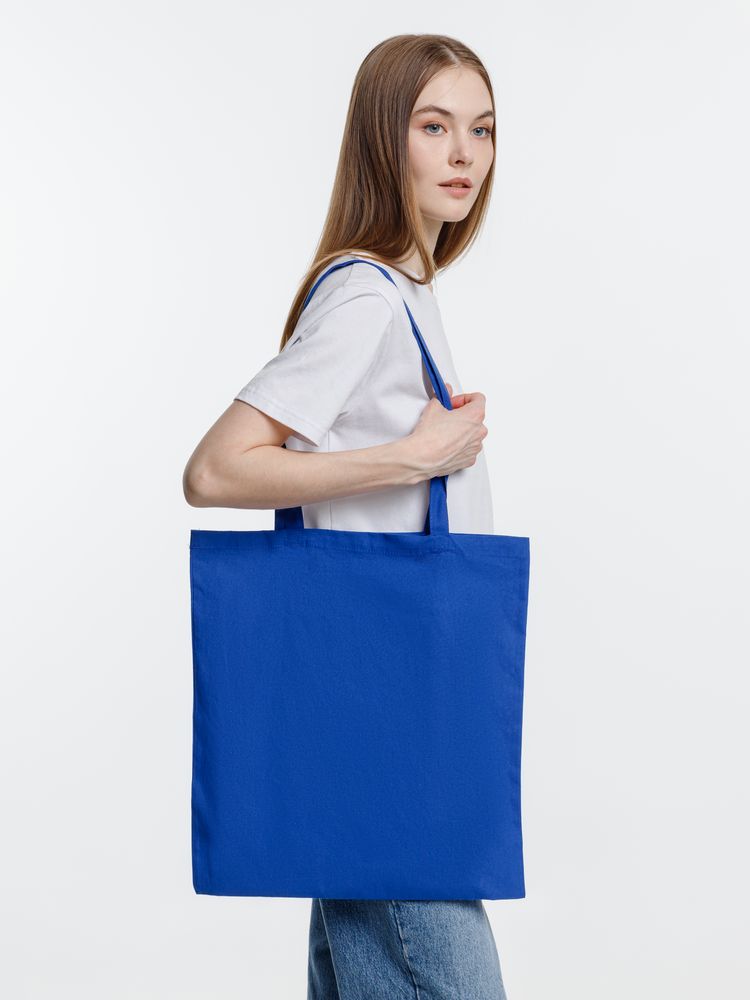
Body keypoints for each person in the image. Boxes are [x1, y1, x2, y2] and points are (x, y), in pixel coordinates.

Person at [183, 33, 510, 1000]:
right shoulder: (369, 295)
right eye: (434, 126)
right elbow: (214, 469)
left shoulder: (403, 291)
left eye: (483, 129)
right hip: (391, 732)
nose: (464, 154)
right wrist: (413, 458)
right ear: (382, 138)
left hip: (385, 722)